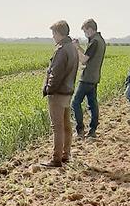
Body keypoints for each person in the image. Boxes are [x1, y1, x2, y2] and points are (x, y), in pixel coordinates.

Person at [42, 20, 79, 167]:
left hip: (58, 93)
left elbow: (55, 73)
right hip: (68, 91)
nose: (53, 37)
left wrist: (48, 89)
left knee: (57, 127)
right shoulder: (72, 48)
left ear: (58, 33)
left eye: (53, 33)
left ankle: (56, 159)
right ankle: (66, 154)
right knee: (66, 125)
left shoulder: (62, 50)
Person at [72, 18, 106, 139]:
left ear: (91, 30)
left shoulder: (94, 42)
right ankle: (92, 130)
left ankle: (80, 130)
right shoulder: (100, 40)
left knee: (75, 103)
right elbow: (88, 55)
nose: (85, 34)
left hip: (86, 78)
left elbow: (84, 60)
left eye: (85, 31)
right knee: (92, 104)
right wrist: (79, 47)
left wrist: (75, 48)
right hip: (94, 78)